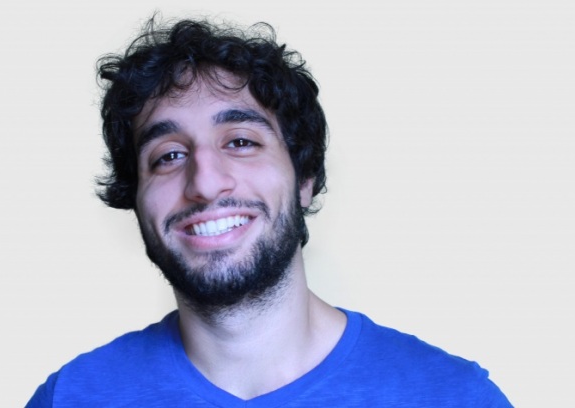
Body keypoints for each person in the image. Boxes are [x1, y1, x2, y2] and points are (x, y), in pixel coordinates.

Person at [27, 16, 512, 407]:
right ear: (136, 197)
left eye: (240, 142)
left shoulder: (455, 398)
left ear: (304, 179)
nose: (205, 183)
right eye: (168, 155)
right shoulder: (69, 398)